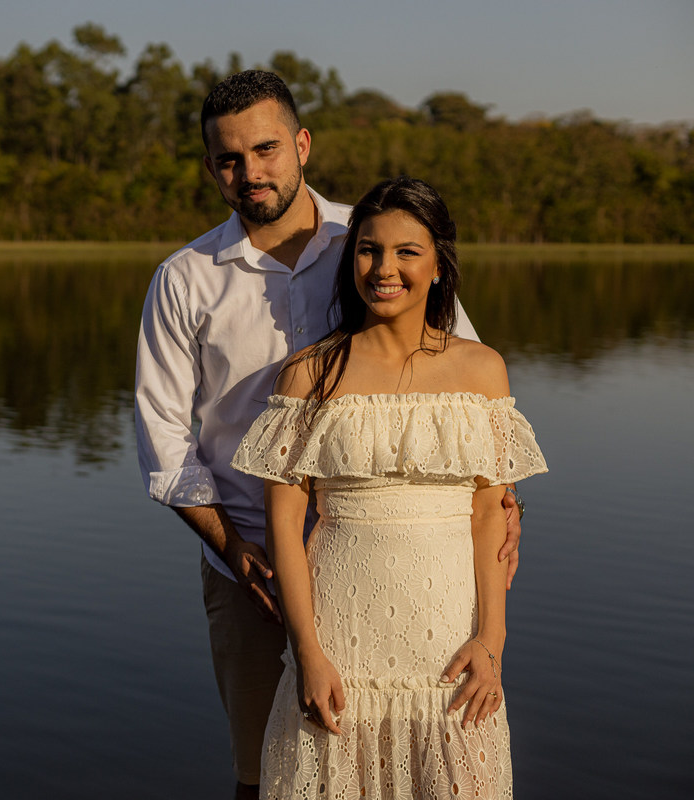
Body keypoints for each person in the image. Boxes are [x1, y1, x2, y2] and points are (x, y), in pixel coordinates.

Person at [134, 71, 524, 798]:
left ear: (302, 145)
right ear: (211, 166)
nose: (250, 172)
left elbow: (465, 396)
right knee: (271, 774)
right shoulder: (184, 280)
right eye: (228, 159)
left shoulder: (374, 238)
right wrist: (233, 548)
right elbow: (163, 444)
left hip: (413, 570)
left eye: (266, 149)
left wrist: (505, 506)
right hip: (254, 569)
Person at [230, 176, 547, 798]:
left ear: (438, 265)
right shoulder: (309, 374)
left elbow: (490, 516)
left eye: (407, 252)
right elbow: (284, 527)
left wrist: (492, 642)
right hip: (341, 637)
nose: (384, 269)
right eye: (369, 250)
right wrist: (307, 651)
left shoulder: (483, 369)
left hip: (450, 639)